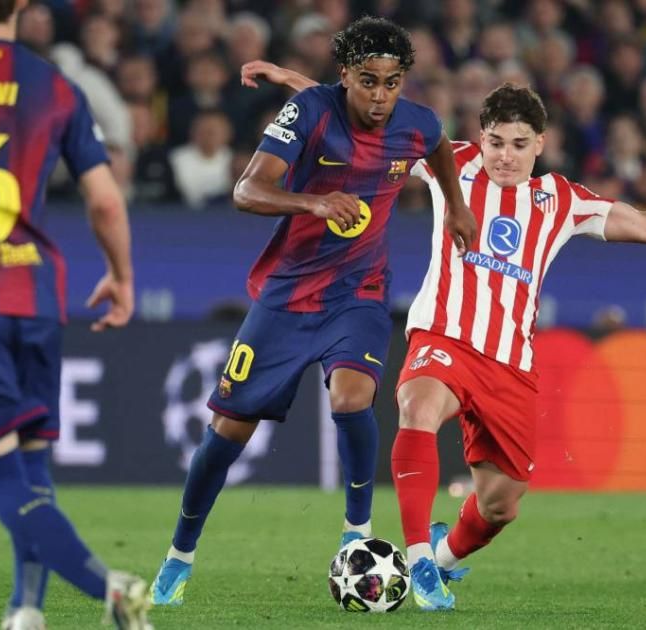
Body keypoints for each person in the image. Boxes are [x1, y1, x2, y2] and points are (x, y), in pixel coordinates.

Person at [241, 60, 646, 610]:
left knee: (501, 504)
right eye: (496, 142)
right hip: (443, 335)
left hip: (509, 364)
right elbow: (367, 115)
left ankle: (442, 554)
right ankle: (418, 561)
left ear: (540, 144)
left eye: (519, 145)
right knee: (417, 407)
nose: (505, 155)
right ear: (481, 137)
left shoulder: (562, 199)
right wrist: (295, 82)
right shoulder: (450, 161)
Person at [149, 16, 476, 606]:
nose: (380, 96)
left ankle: (357, 532)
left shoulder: (418, 122)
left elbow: (439, 149)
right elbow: (246, 191)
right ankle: (179, 554)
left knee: (353, 397)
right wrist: (314, 203)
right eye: (368, 81)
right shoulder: (308, 112)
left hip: (360, 291)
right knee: (228, 432)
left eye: (392, 83)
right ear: (345, 75)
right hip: (288, 297)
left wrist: (454, 205)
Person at [0, 2, 148, 629]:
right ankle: (26, 609)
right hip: (37, 294)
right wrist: (122, 277)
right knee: (30, 465)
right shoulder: (56, 86)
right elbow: (105, 201)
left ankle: (109, 588)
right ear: (22, 4)